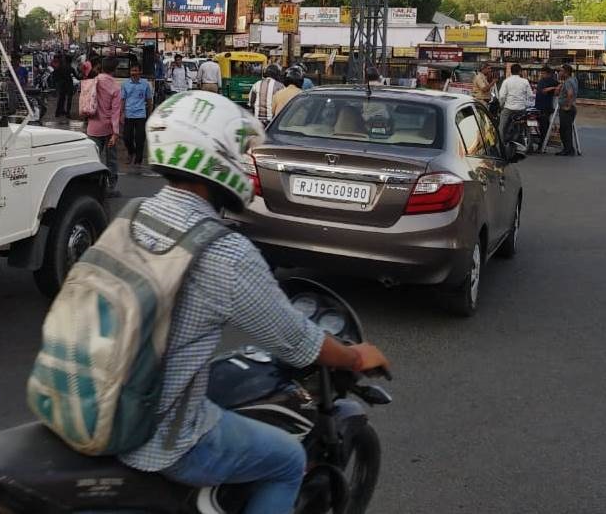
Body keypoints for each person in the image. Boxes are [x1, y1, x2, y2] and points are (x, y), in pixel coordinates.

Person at [120, 91, 391, 512]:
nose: (245, 166)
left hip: (81, 400)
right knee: (285, 461)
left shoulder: (133, 213)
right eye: (239, 153)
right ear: (217, 159)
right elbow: (296, 340)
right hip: (155, 435)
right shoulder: (223, 251)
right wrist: (355, 358)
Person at [86, 58, 124, 193]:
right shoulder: (115, 87)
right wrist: (116, 133)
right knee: (111, 160)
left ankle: (91, 187)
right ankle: (111, 188)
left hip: (92, 127)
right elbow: (115, 112)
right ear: (115, 69)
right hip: (108, 129)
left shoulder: (94, 81)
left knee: (92, 159)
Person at [121, 65, 153, 168]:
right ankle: (131, 152)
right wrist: (121, 113)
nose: (133, 73)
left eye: (136, 70)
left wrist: (150, 114)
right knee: (127, 138)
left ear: (140, 72)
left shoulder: (146, 84)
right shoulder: (125, 84)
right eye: (132, 71)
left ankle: (138, 160)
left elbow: (149, 100)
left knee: (140, 138)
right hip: (128, 114)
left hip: (141, 115)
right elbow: (123, 99)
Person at [496, 63, 534, 143]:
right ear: (520, 72)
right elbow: (530, 95)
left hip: (509, 108)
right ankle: (524, 143)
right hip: (521, 109)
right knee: (523, 125)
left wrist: (501, 105)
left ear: (511, 71)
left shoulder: (506, 81)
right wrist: (525, 104)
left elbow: (502, 96)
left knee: (501, 127)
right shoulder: (525, 81)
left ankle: (501, 144)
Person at [555, 63, 579, 156]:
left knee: (564, 130)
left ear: (566, 72)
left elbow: (570, 94)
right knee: (567, 129)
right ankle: (569, 149)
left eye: (561, 71)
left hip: (567, 109)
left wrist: (568, 106)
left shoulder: (568, 81)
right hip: (571, 107)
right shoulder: (573, 80)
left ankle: (567, 150)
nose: (559, 73)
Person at [534, 63, 558, 152]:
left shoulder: (550, 81)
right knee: (542, 126)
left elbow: (544, 90)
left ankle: (542, 146)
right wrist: (553, 88)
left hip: (545, 107)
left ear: (549, 74)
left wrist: (553, 89)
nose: (542, 75)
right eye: (541, 73)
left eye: (543, 73)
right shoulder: (542, 81)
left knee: (544, 127)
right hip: (539, 106)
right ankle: (542, 144)